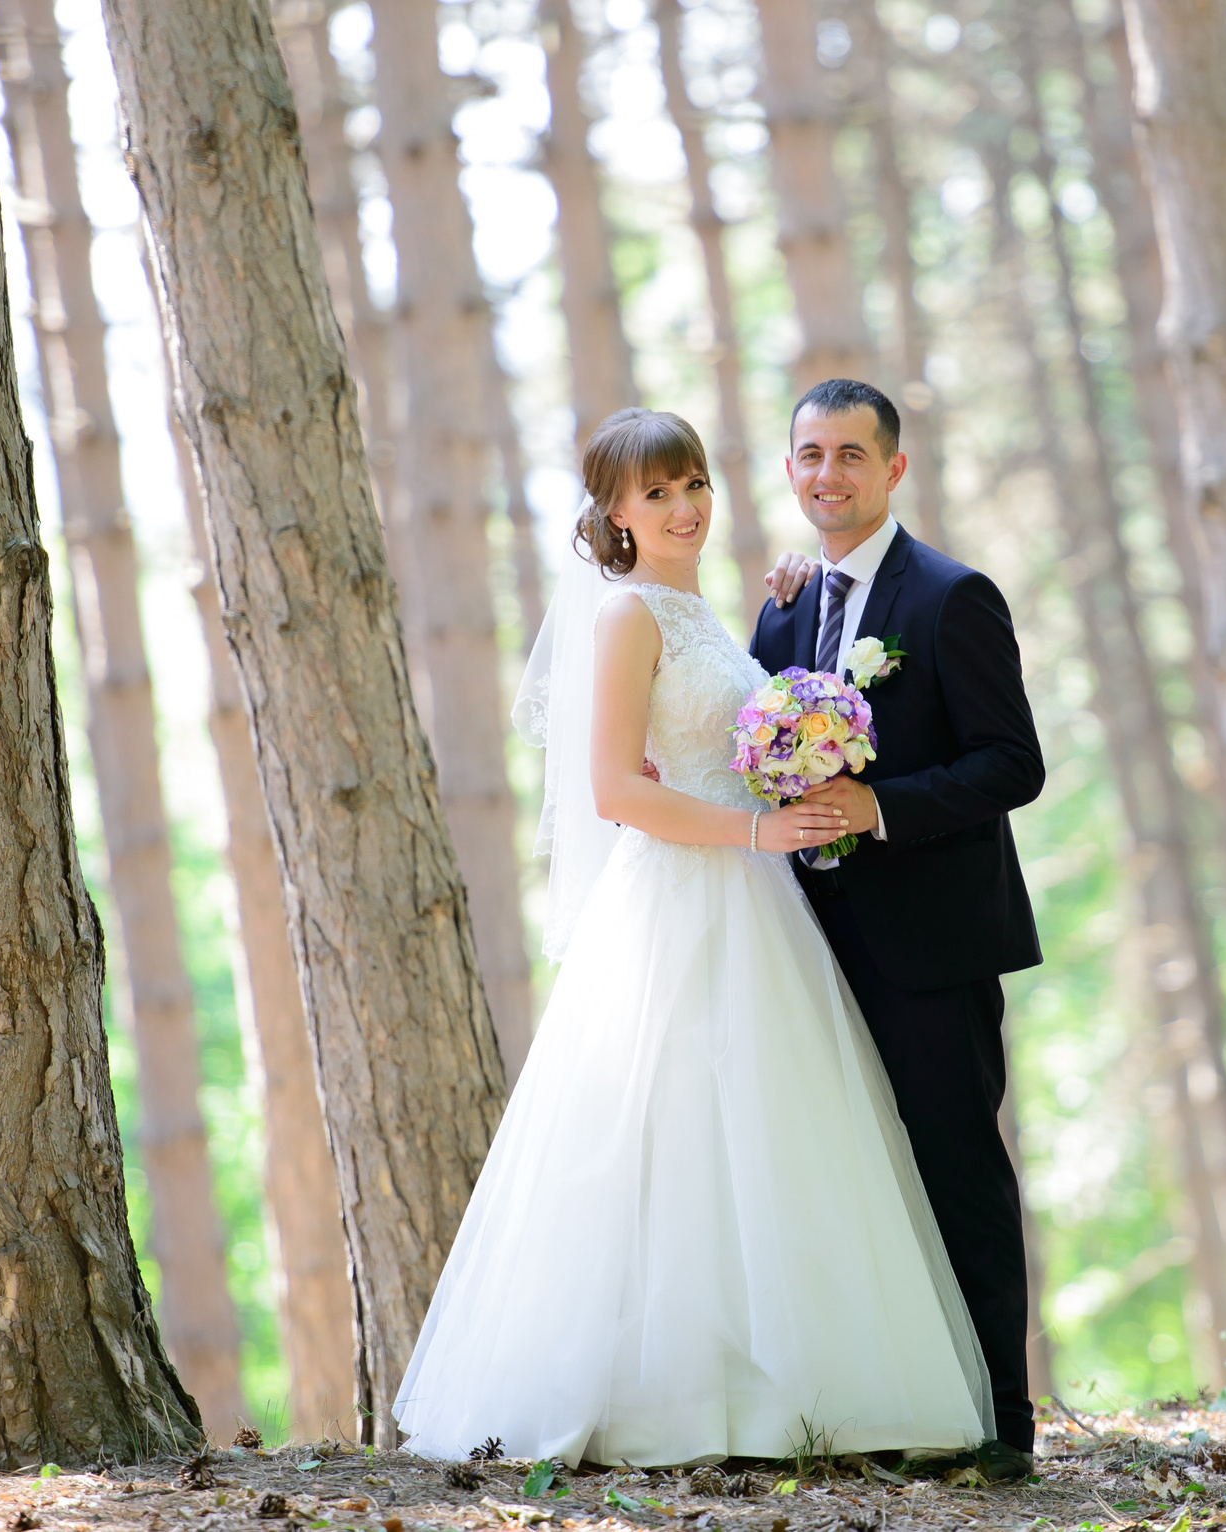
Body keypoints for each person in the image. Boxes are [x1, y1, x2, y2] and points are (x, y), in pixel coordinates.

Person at [394, 408, 993, 1469]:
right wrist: (754, 828)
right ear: (614, 513)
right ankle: (666, 1398)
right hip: (681, 893)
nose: (684, 508)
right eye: (657, 492)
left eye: (695, 484)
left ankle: (791, 1391)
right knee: (668, 1136)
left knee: (770, 1136)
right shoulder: (629, 617)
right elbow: (616, 787)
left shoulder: (703, 609)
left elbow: (734, 727)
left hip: (756, 896)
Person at [752, 379, 1047, 1479]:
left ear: (893, 471)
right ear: (789, 470)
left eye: (849, 455)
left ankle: (1001, 1423)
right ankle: (896, 1399)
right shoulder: (783, 607)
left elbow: (1012, 761)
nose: (826, 474)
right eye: (808, 455)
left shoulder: (950, 596)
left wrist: (883, 806)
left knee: (956, 1167)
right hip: (812, 947)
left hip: (932, 944)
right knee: (856, 1174)